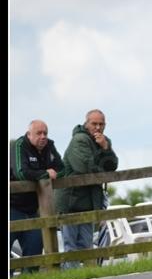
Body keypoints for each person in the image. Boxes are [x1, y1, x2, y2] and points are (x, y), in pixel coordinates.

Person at [55, 109, 119, 268]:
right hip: (70, 201)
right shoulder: (79, 140)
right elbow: (85, 167)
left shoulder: (103, 141)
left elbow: (112, 165)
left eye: (101, 124)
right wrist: (103, 171)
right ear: (86, 123)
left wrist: (106, 148)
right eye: (94, 123)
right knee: (71, 247)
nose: (98, 127)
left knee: (87, 244)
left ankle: (87, 278)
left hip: (87, 202)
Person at [10, 120, 65, 270]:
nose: (43, 137)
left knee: (34, 253)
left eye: (45, 133)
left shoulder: (49, 145)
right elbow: (21, 173)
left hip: (33, 210)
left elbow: (62, 169)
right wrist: (45, 173)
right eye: (38, 133)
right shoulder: (19, 145)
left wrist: (52, 173)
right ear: (29, 134)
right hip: (12, 208)